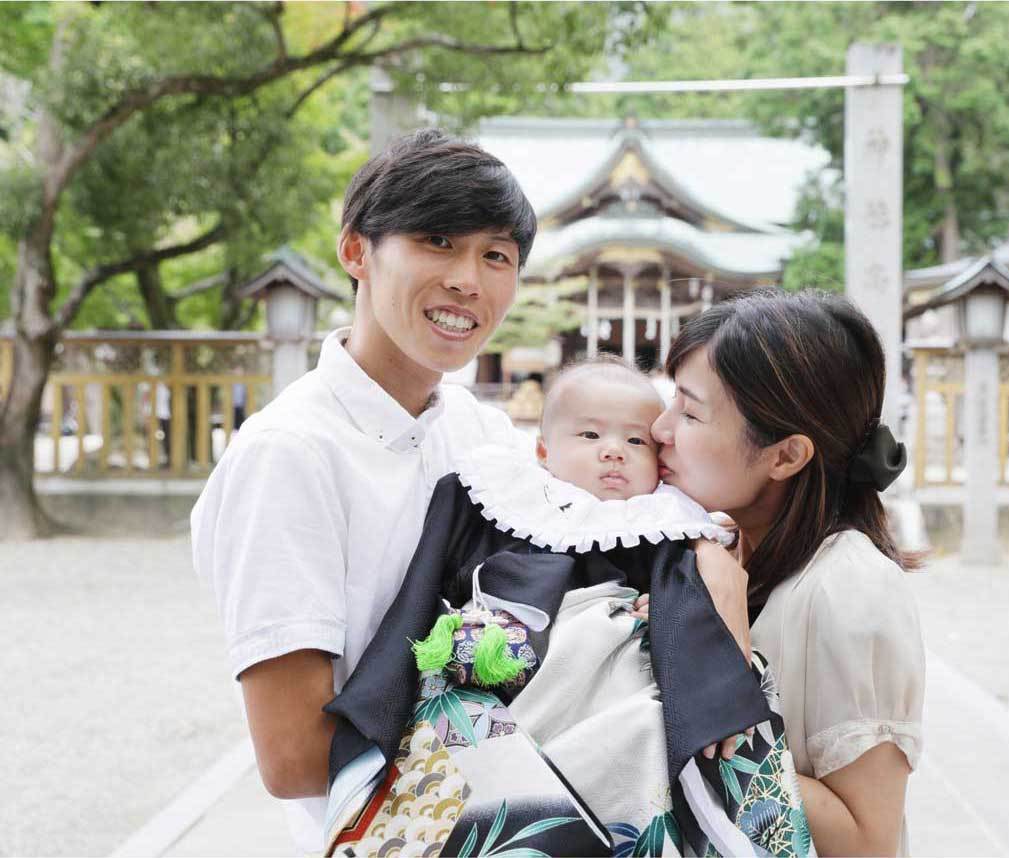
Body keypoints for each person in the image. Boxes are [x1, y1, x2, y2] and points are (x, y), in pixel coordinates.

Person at [190, 129, 538, 853]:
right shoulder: (289, 456)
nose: (469, 280)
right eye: (438, 241)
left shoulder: (486, 437)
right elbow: (292, 757)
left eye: (496, 255)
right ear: (356, 251)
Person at [320, 356, 812, 857]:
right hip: (505, 668)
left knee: (642, 730)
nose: (614, 453)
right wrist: (383, 696)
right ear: (542, 449)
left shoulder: (665, 523)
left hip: (613, 680)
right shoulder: (495, 495)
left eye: (636, 441)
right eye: (591, 436)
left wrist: (713, 690)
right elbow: (421, 592)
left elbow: (691, 607)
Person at [651, 289, 925, 857]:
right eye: (670, 400)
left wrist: (691, 716)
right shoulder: (720, 546)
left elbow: (865, 843)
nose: (659, 428)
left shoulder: (850, 588)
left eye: (691, 412)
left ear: (785, 456)